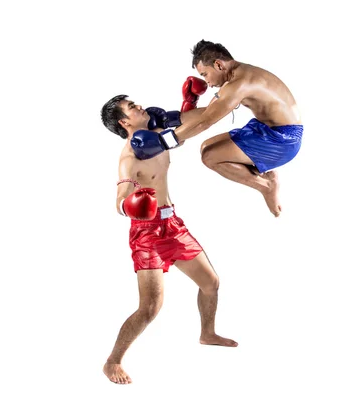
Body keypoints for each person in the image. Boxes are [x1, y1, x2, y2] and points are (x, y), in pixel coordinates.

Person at [100, 94, 237, 385]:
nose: (139, 105)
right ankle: (113, 361)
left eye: (136, 101)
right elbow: (119, 200)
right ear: (124, 122)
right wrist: (130, 205)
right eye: (131, 107)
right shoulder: (130, 156)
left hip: (173, 225)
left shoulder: (155, 137)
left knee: (211, 283)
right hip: (146, 232)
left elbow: (191, 126)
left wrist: (196, 99)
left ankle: (207, 333)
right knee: (150, 307)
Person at [129, 40, 303, 217]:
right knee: (206, 146)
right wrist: (168, 119)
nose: (208, 83)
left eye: (205, 74)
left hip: (283, 140)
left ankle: (265, 185)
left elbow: (205, 122)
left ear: (218, 65)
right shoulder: (238, 76)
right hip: (266, 128)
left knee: (210, 157)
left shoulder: (239, 84)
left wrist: (163, 142)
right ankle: (264, 173)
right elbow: (208, 112)